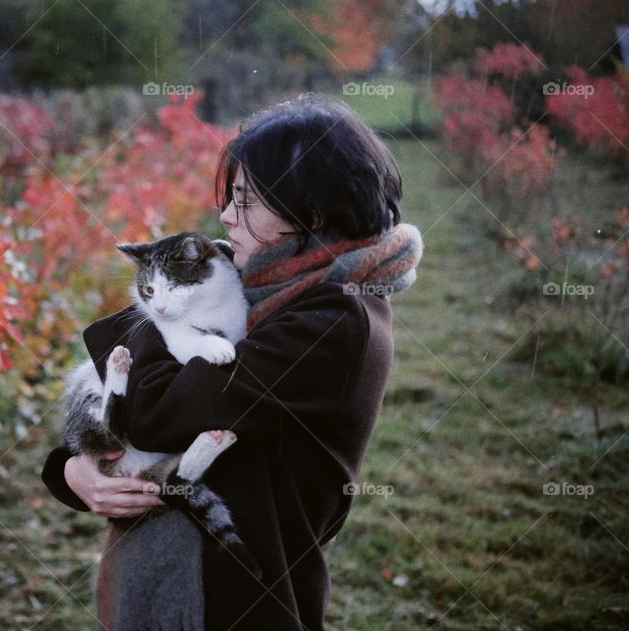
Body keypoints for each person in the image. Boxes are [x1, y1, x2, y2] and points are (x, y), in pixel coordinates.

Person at [41, 92, 423, 630]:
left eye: (245, 201)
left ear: (308, 214)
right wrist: (74, 469)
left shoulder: (332, 323)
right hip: (181, 576)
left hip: (237, 595)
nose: (224, 215)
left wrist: (162, 310)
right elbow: (133, 427)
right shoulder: (267, 285)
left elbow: (157, 413)